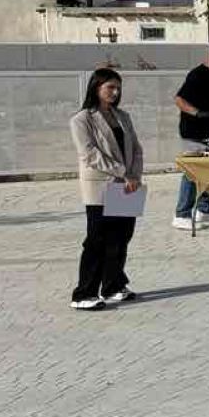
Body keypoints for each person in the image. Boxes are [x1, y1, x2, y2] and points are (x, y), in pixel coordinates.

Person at [70, 67, 144, 310]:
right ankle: (84, 294)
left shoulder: (123, 116)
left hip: (128, 185)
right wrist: (123, 172)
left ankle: (113, 286)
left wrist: (134, 175)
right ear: (96, 87)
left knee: (121, 238)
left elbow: (136, 149)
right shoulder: (82, 119)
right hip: (101, 187)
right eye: (110, 87)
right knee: (97, 240)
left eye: (118, 88)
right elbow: (90, 154)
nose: (115, 92)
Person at [171, 42, 209, 231]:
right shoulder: (198, 75)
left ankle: (204, 209)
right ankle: (181, 214)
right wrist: (197, 113)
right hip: (193, 132)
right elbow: (179, 99)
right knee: (192, 172)